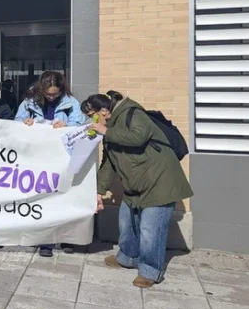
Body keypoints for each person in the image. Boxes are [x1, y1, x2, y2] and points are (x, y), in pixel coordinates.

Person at [83, 90, 193, 288]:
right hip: (135, 185)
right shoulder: (110, 129)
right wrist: (99, 191)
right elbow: (109, 164)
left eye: (92, 115)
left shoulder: (133, 114)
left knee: (151, 229)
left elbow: (138, 137)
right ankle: (127, 257)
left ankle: (151, 271)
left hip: (160, 182)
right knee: (127, 222)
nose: (91, 120)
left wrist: (105, 131)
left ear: (104, 111)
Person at [16, 70, 87, 257]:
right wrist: (26, 122)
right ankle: (45, 241)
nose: (51, 96)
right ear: (42, 89)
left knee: (63, 198)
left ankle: (66, 238)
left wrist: (67, 127)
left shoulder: (71, 103)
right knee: (43, 199)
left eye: (54, 94)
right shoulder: (30, 101)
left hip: (63, 158)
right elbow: (16, 122)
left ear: (61, 90)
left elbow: (79, 126)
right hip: (39, 157)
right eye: (48, 93)